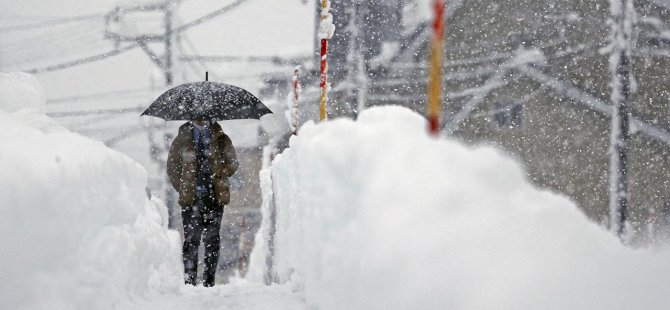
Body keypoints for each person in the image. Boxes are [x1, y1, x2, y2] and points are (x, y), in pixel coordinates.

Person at [167, 119, 238, 287]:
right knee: (191, 240)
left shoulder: (222, 139)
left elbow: (233, 164)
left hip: (214, 197)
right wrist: (183, 186)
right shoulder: (181, 139)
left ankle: (208, 280)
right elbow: (172, 167)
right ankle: (190, 280)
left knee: (212, 239)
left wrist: (220, 171)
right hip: (191, 199)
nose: (201, 116)